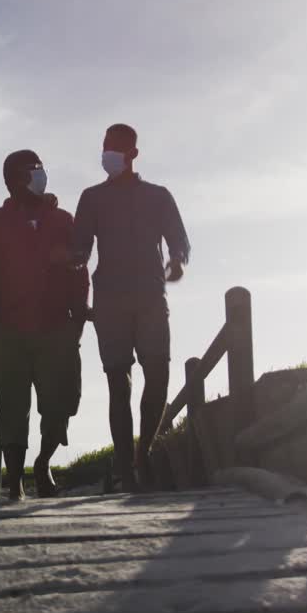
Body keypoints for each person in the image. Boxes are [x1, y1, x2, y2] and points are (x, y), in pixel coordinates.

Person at [71, 123, 191, 492]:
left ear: (133, 154)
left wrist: (177, 260)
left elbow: (179, 240)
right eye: (106, 146)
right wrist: (70, 260)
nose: (109, 153)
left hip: (151, 298)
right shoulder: (91, 198)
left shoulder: (159, 196)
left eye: (117, 148)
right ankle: (126, 469)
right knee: (117, 383)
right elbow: (80, 249)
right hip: (109, 303)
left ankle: (144, 452)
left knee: (158, 376)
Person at [0, 150, 88, 500]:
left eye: (41, 169)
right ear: (14, 180)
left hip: (57, 328)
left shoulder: (64, 221)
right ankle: (16, 480)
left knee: (60, 403)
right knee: (11, 404)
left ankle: (44, 461)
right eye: (32, 171)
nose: (40, 176)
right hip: (8, 331)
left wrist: (78, 316)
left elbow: (79, 271)